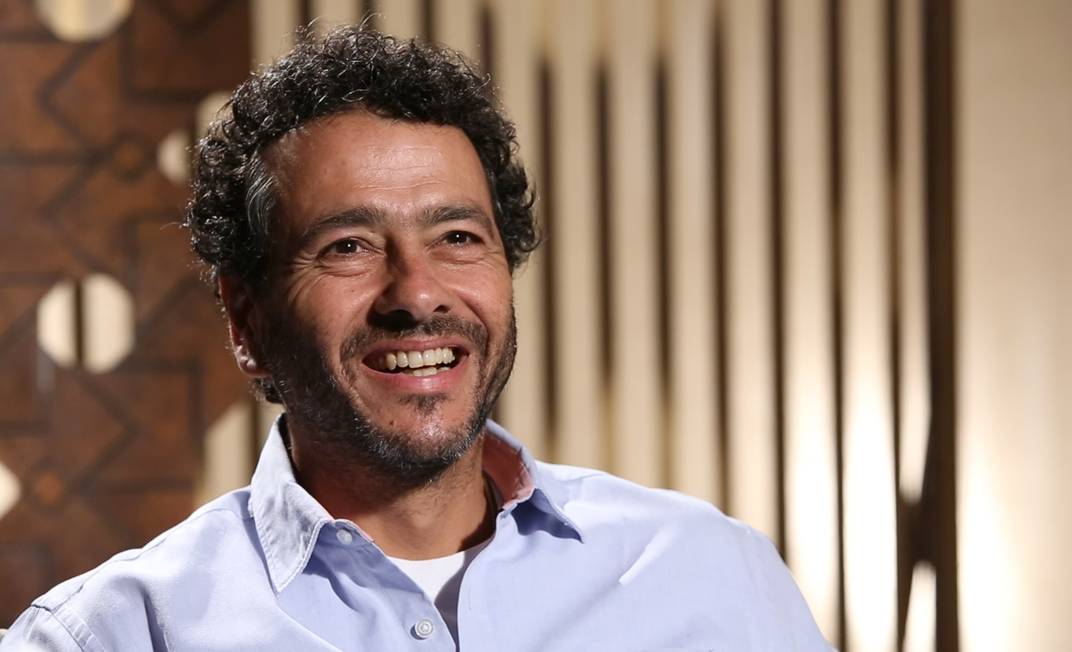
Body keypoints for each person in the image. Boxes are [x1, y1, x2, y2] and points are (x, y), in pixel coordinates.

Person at [2, 26, 830, 651]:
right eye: (348, 246)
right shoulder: (113, 635)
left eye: (457, 237)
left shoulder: (711, 576)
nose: (418, 294)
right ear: (246, 320)